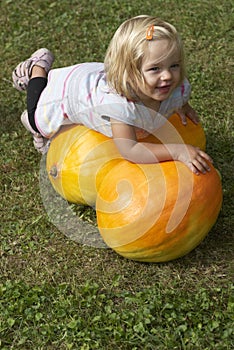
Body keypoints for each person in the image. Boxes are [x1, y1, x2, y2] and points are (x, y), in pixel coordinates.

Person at [12, 15, 212, 175]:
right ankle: (37, 68)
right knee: (35, 118)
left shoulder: (174, 87)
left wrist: (183, 106)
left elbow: (180, 94)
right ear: (130, 73)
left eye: (174, 65)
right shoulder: (120, 107)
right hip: (70, 92)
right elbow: (130, 150)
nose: (168, 76)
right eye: (155, 69)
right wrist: (177, 151)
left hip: (93, 78)